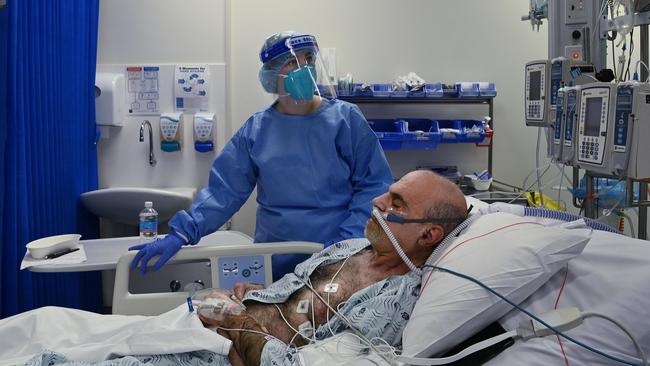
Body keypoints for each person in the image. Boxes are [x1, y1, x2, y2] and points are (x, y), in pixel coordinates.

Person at [129, 31, 393, 279]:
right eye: (292, 62)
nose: (305, 69)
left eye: (309, 59)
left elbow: (374, 186)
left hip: (338, 258)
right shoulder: (256, 131)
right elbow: (225, 192)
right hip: (274, 258)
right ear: (272, 75)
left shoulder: (345, 120)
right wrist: (181, 234)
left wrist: (344, 243)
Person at [198, 170, 468, 366]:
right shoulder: (351, 248)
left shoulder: (394, 301)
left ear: (428, 235)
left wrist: (234, 318)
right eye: (388, 192)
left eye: (396, 204)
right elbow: (297, 302)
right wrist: (262, 295)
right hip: (210, 328)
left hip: (218, 353)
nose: (377, 202)